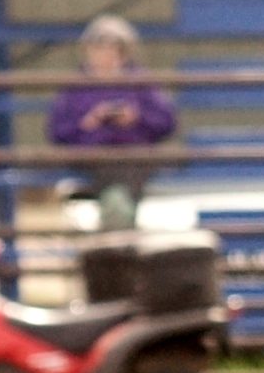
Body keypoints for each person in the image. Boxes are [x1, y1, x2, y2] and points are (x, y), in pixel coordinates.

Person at [47, 15, 177, 231]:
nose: (105, 56)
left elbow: (167, 122)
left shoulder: (141, 82)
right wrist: (87, 124)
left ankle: (117, 216)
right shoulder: (75, 86)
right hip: (92, 156)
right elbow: (57, 131)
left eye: (113, 49)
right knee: (113, 171)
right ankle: (118, 217)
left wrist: (138, 118)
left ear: (124, 52)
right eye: (99, 49)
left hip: (134, 155)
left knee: (127, 168)